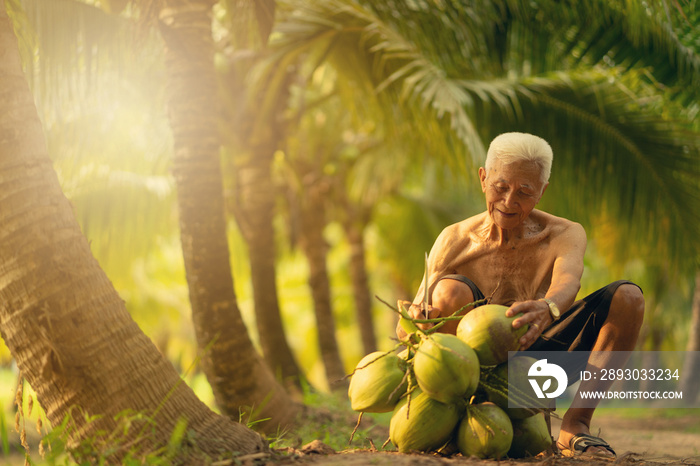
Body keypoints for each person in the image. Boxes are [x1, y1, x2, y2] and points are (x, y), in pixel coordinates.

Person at [396, 132, 645, 458]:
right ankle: (458, 418)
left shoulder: (564, 233)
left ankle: (575, 426)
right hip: (471, 373)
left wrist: (548, 308)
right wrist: (418, 320)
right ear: (483, 178)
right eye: (500, 187)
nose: (509, 201)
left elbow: (569, 280)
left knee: (628, 298)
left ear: (542, 192)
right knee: (447, 291)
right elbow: (406, 328)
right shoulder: (454, 239)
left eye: (524, 192)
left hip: (537, 365)